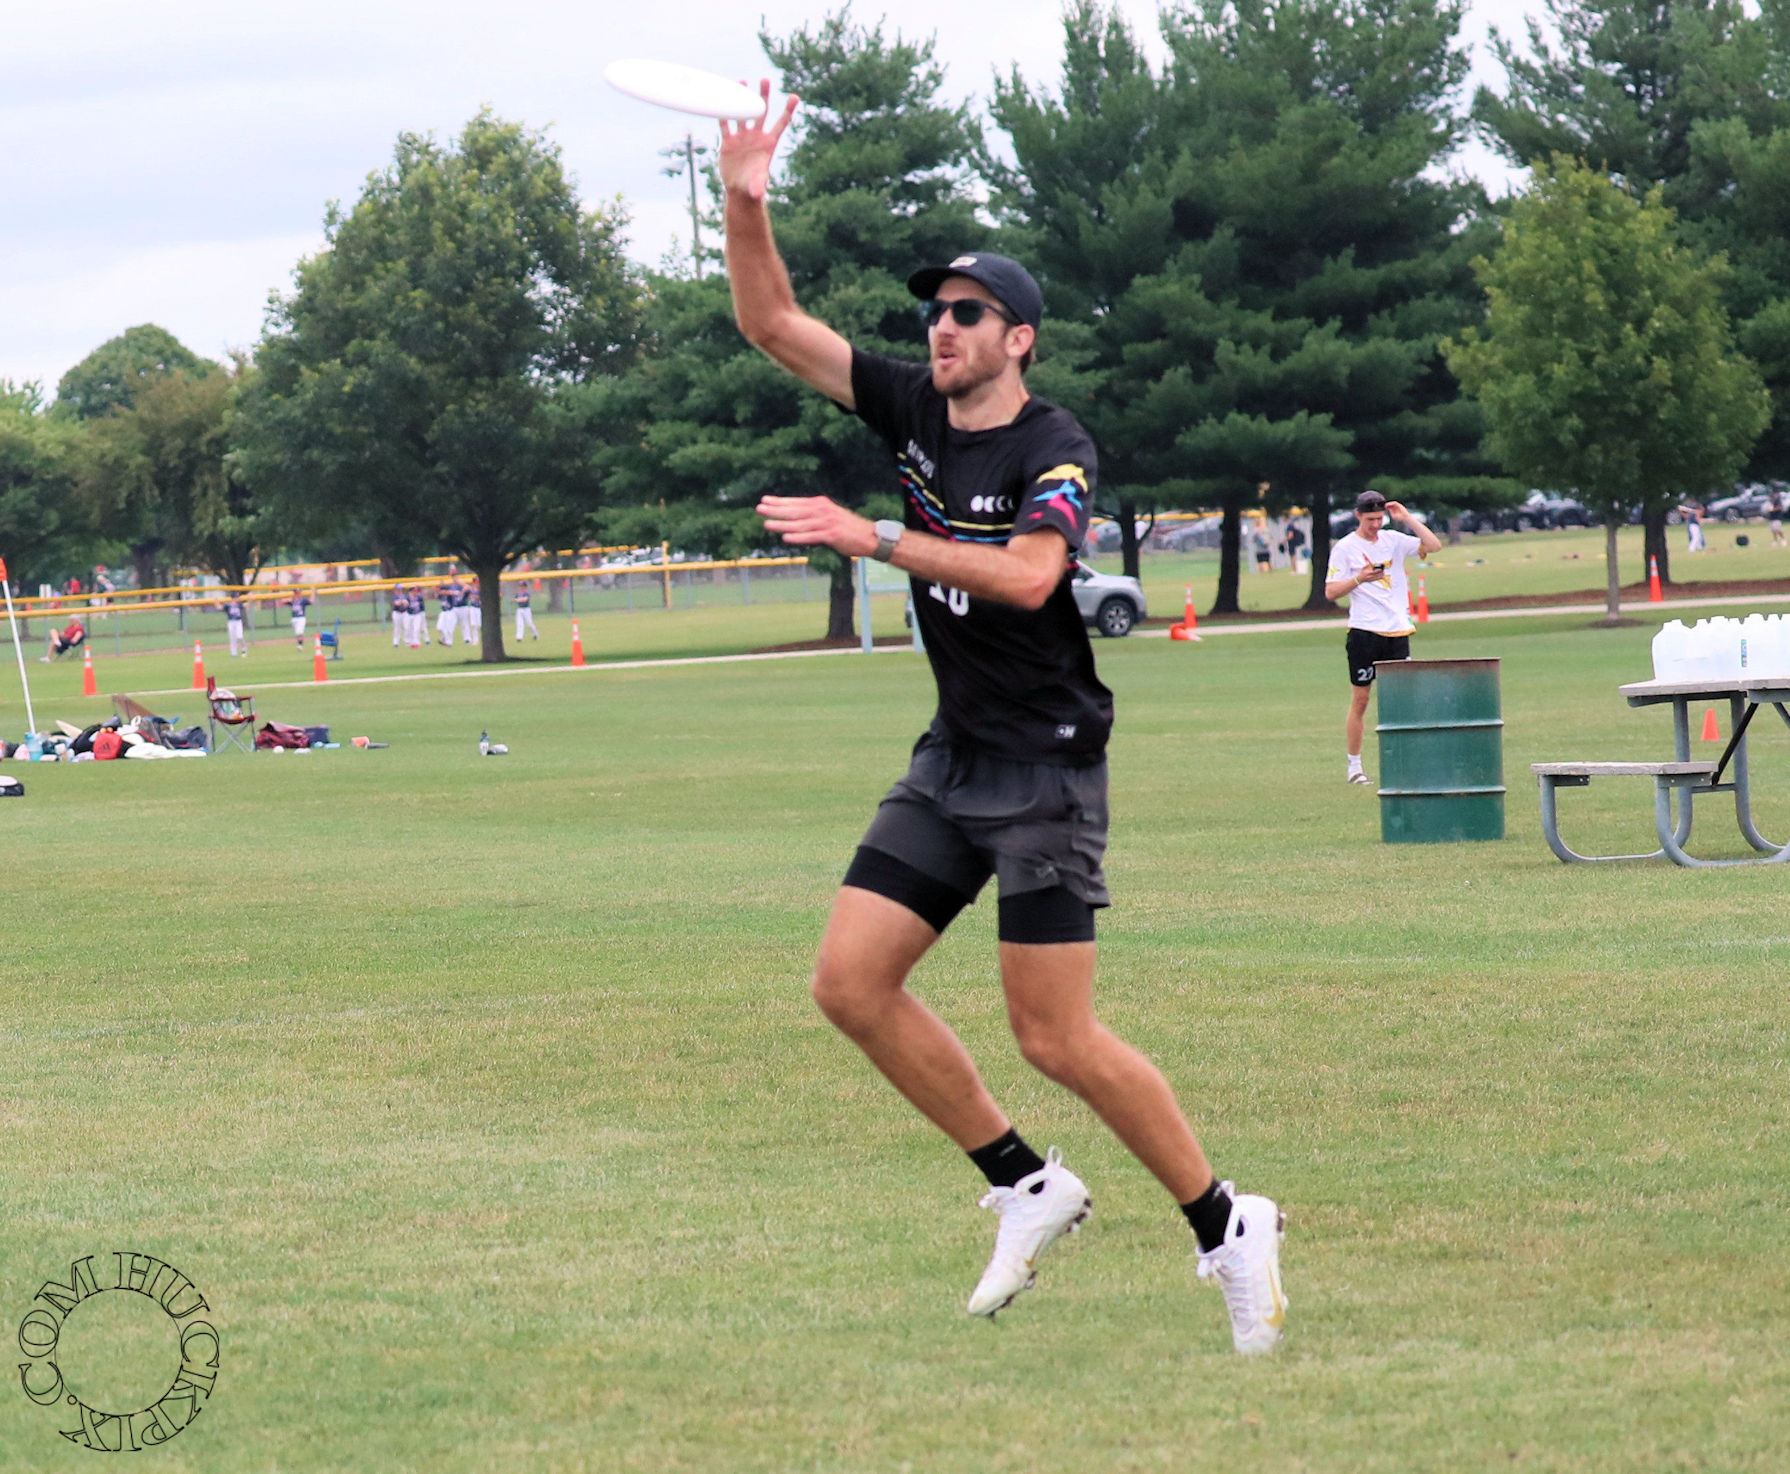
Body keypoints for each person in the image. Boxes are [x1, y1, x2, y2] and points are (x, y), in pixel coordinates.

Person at [717, 83, 1287, 1354]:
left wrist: (874, 537)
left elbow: (1032, 578)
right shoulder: (913, 410)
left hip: (1044, 766)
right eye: (933, 311)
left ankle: (1224, 1222)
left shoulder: (1053, 446)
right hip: (954, 757)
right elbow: (770, 324)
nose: (939, 327)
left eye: (965, 313)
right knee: (848, 983)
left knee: (1053, 1035)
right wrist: (745, 203)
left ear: (1016, 338)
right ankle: (1026, 1182)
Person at [1325, 490, 1441, 784]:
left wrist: (1407, 518)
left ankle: (1405, 765)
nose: (1376, 525)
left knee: (1402, 701)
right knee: (1361, 699)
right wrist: (1359, 578)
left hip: (1397, 631)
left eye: (1379, 518)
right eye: (1370, 519)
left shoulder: (1393, 540)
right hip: (1364, 631)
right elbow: (1331, 592)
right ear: (1358, 516)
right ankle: (1355, 767)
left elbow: (1434, 545)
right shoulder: (1345, 548)